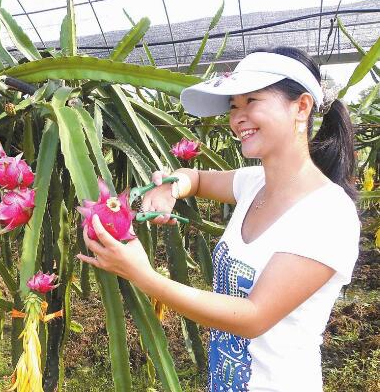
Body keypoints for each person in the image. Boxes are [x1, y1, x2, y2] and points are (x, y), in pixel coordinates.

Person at [76, 46, 361, 391]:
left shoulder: (328, 214)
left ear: (301, 106)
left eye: (252, 101)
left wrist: (143, 276)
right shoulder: (255, 183)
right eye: (233, 107)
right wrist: (170, 189)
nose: (237, 118)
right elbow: (194, 178)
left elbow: (254, 317)